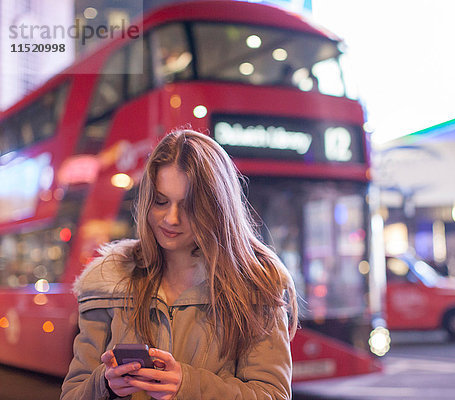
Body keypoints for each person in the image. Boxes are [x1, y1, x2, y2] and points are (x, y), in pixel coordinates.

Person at [61, 129, 298, 400]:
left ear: (217, 208)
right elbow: (72, 394)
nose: (171, 219)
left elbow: (273, 395)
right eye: (160, 202)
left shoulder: (255, 284)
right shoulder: (107, 281)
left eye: (188, 207)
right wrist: (104, 384)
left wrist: (188, 385)